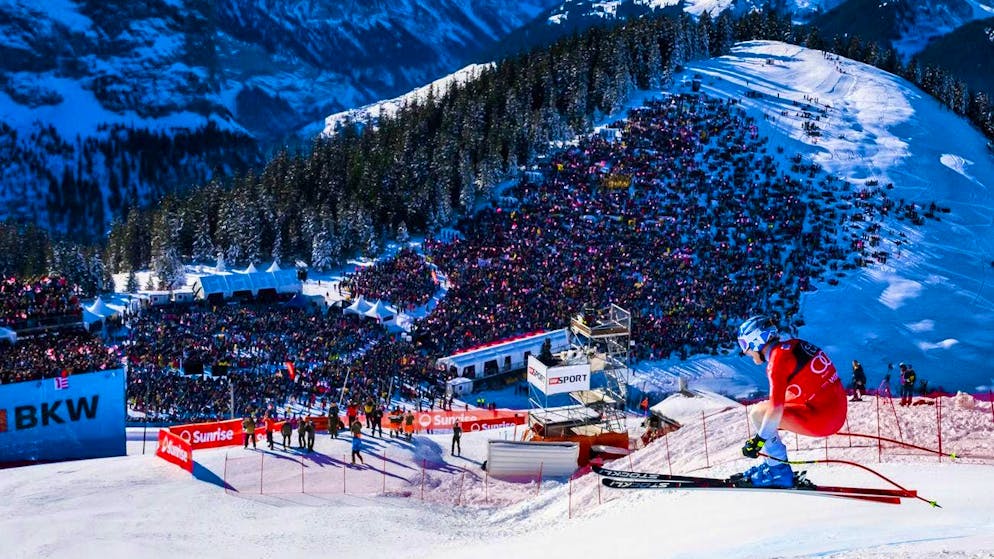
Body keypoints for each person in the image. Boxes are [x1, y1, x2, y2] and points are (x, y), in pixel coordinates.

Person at [734, 315, 847, 488]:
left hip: (824, 419)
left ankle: (779, 472)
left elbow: (776, 410)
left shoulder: (776, 363)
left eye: (744, 345)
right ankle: (775, 463)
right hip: (834, 410)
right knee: (768, 412)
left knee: (758, 414)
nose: (744, 351)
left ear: (756, 340)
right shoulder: (794, 344)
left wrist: (758, 442)